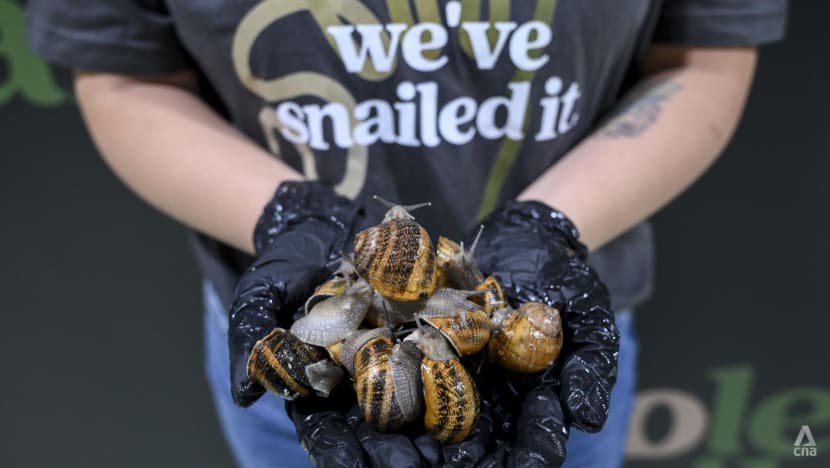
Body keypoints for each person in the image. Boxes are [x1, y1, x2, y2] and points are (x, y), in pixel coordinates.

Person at [26, 1, 786, 467]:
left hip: (559, 337)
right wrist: (285, 211)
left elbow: (702, 53)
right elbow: (126, 72)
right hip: (286, 316)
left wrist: (551, 222)